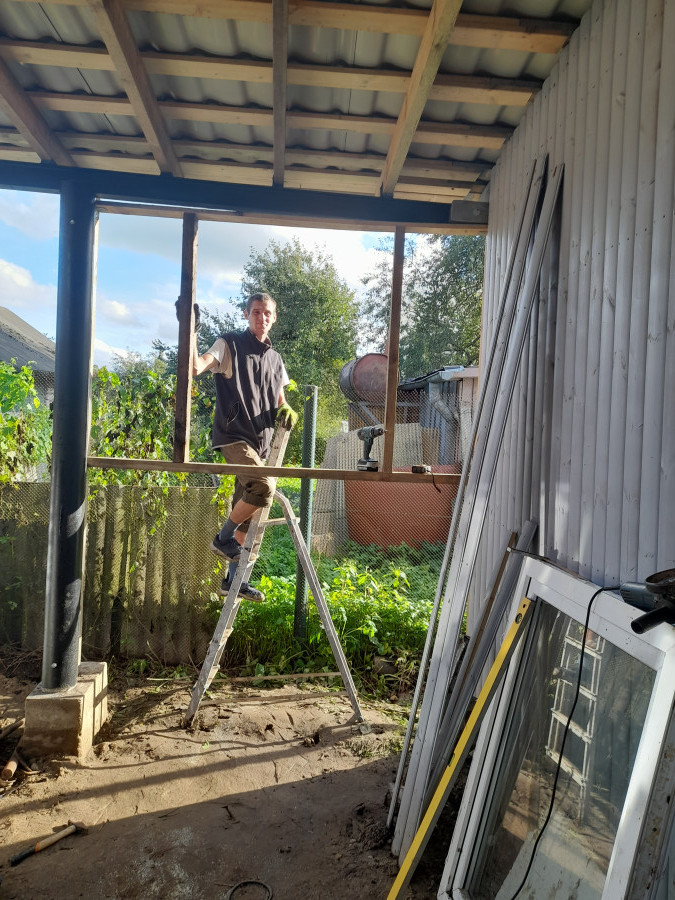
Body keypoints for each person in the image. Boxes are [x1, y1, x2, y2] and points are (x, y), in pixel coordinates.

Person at [192, 292, 297, 602]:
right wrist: (191, 334)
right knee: (263, 487)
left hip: (261, 444)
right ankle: (222, 538)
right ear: (246, 315)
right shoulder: (230, 344)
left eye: (267, 313)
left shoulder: (276, 359)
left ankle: (233, 582)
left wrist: (286, 407)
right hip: (233, 436)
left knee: (251, 514)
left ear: (274, 318)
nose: (261, 317)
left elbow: (279, 398)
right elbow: (197, 367)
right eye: (256, 312)